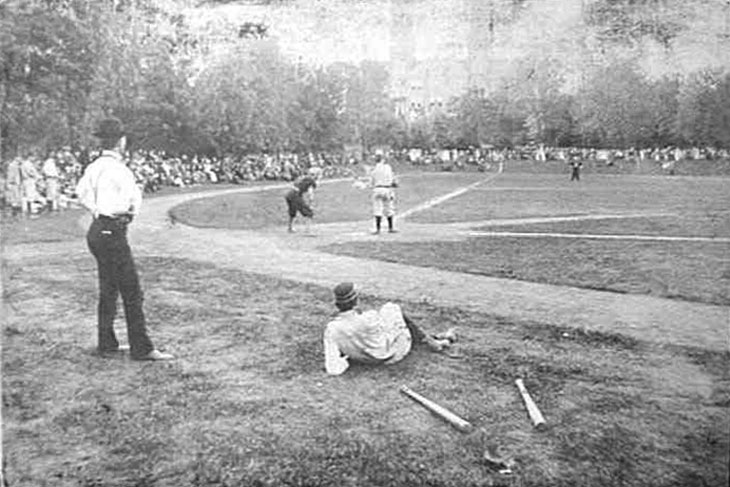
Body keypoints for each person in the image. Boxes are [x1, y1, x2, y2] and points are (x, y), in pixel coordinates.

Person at [75, 117, 173, 361]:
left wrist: (96, 210)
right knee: (132, 291)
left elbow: (81, 193)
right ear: (120, 142)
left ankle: (106, 343)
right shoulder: (119, 169)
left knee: (108, 287)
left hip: (98, 229)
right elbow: (133, 200)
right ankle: (142, 348)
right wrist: (125, 213)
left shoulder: (94, 166)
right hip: (113, 229)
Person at [323, 282, 457, 376]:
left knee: (391, 318)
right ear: (356, 300)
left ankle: (434, 339)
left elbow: (333, 368)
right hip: (392, 355)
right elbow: (390, 331)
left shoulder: (331, 328)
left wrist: (348, 358)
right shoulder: (369, 317)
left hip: (363, 359)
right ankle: (434, 343)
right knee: (392, 308)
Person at [370, 152, 398, 234]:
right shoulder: (388, 167)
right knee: (389, 208)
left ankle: (377, 229)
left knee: (377, 208)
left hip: (377, 189)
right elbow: (394, 181)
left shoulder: (374, 169)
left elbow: (372, 182)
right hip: (387, 189)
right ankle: (391, 227)